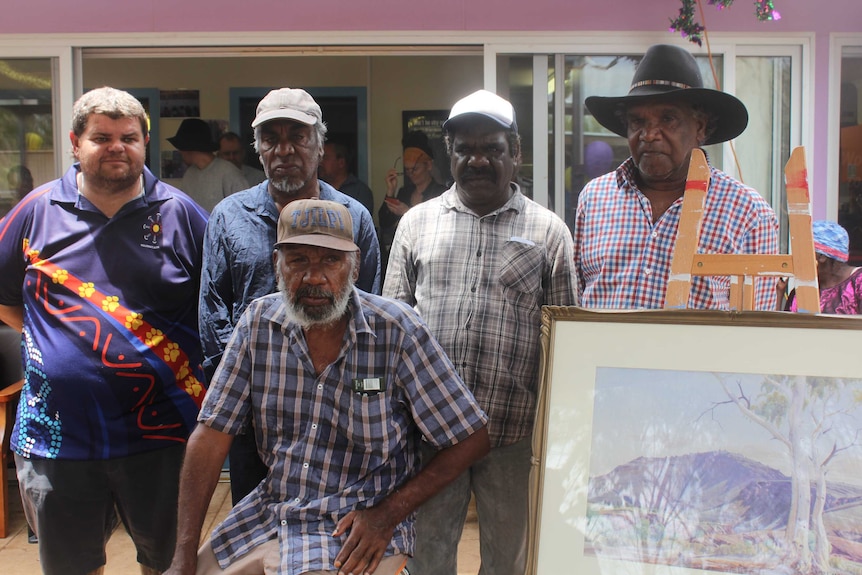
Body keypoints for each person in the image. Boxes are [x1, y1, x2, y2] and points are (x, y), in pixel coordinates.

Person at [166, 198, 489, 575]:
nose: (314, 277)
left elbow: (471, 436)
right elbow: (210, 435)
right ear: (277, 265)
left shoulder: (397, 331)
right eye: (298, 260)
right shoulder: (257, 324)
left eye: (330, 261)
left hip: (358, 527)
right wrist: (183, 554)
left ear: (353, 269)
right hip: (274, 515)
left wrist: (387, 514)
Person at [0, 86, 209, 575]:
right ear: (75, 143)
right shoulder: (35, 211)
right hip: (58, 439)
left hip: (163, 437)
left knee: (170, 564)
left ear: (145, 142)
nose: (117, 146)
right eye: (102, 137)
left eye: (128, 137)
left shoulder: (181, 215)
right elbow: (7, 302)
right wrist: (56, 347)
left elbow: (213, 308)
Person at [383, 89, 578, 575]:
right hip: (431, 435)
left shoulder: (549, 232)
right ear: (449, 154)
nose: (477, 159)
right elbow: (390, 328)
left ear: (515, 152)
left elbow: (565, 344)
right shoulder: (415, 225)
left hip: (510, 434)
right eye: (465, 148)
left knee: (508, 560)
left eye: (491, 148)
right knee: (426, 557)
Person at [199, 87, 382, 507]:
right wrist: (244, 398)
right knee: (256, 533)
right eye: (271, 138)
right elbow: (213, 318)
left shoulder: (354, 218)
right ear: (258, 149)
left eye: (298, 137)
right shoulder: (229, 217)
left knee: (335, 534)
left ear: (319, 144)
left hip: (336, 411)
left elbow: (368, 312)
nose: (284, 149)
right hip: (255, 414)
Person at [575, 43, 779, 310]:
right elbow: (575, 301)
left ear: (700, 127)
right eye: (637, 122)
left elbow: (758, 329)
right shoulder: (595, 198)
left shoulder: (748, 213)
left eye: (668, 119)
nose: (649, 134)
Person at [378, 130, 447, 268]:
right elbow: (384, 222)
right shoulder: (405, 192)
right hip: (404, 258)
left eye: (415, 169)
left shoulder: (441, 194)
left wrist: (407, 212)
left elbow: (442, 229)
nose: (411, 174)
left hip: (431, 259)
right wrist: (390, 192)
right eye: (407, 170)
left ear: (428, 166)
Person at [777, 220, 862, 314]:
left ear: (822, 257)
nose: (797, 259)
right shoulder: (801, 292)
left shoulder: (858, 282)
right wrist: (779, 293)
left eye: (802, 253)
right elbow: (786, 327)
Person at [169, 118, 249, 211]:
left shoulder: (229, 173)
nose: (180, 152)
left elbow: (245, 212)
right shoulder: (189, 174)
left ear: (188, 148)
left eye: (181, 148)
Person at [318, 140, 375, 214]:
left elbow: (361, 223)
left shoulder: (360, 191)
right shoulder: (316, 188)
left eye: (325, 158)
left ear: (341, 163)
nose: (320, 162)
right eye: (320, 157)